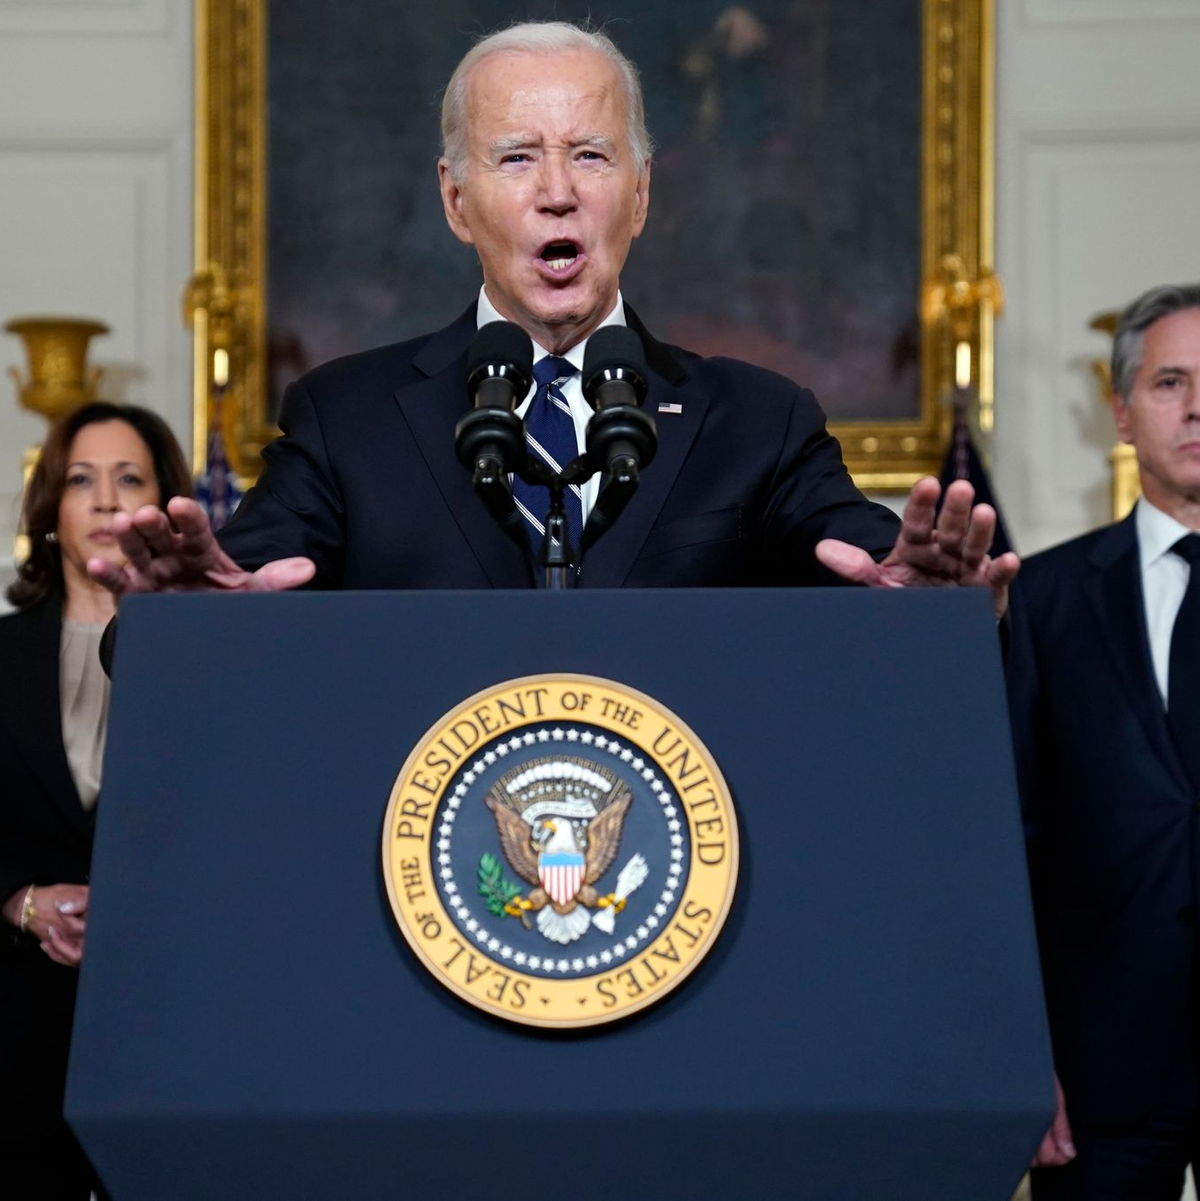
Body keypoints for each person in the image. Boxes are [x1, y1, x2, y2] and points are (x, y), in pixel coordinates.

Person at [87, 21, 1017, 613]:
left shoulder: (759, 422)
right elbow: (226, 598)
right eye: (518, 157)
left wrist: (925, 606)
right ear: (456, 202)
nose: (559, 194)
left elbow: (872, 578)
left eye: (592, 155)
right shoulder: (347, 418)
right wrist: (180, 619)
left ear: (642, 194)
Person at [1009, 283, 1200, 1198]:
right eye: (1171, 381)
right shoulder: (1043, 602)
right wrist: (1021, 1053)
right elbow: (1014, 841)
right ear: (1122, 411)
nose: (1198, 405)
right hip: (1101, 1082)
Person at [0, 401, 193, 1199]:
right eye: (82, 479)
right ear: (51, 508)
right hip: (19, 1031)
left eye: (129, 478)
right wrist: (21, 901)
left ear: (164, 503)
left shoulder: (211, 658)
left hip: (170, 1018)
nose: (107, 500)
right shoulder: (2, 654)